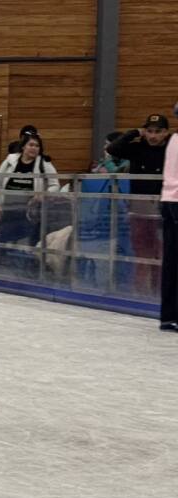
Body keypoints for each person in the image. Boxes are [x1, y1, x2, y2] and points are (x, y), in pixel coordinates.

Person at [107, 114, 172, 291]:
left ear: (165, 132)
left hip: (164, 209)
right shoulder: (136, 148)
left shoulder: (171, 150)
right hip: (139, 209)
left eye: (158, 132)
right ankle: (140, 292)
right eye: (149, 131)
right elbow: (113, 149)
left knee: (161, 254)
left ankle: (159, 291)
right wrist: (134, 132)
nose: (153, 136)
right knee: (142, 254)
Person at [0, 132, 60, 247]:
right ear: (23, 146)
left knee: (30, 243)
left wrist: (43, 195)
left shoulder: (44, 163)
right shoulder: (9, 161)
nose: (34, 148)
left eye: (37, 146)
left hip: (31, 214)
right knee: (4, 241)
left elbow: (55, 185)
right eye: (31, 145)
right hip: (8, 211)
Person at [159, 111, 178, 332]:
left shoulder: (173, 139)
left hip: (169, 200)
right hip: (175, 201)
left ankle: (168, 314)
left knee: (171, 260)